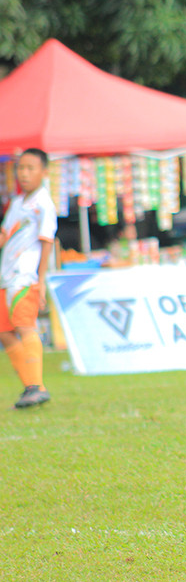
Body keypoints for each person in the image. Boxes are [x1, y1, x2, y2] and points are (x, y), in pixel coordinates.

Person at [1, 148, 58, 409]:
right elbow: (5, 235)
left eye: (30, 168)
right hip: (5, 275)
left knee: (25, 327)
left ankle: (35, 386)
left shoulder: (44, 204)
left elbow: (47, 242)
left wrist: (41, 278)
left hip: (25, 277)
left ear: (44, 172)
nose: (23, 173)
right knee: (5, 332)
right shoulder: (16, 203)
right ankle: (31, 387)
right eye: (20, 168)